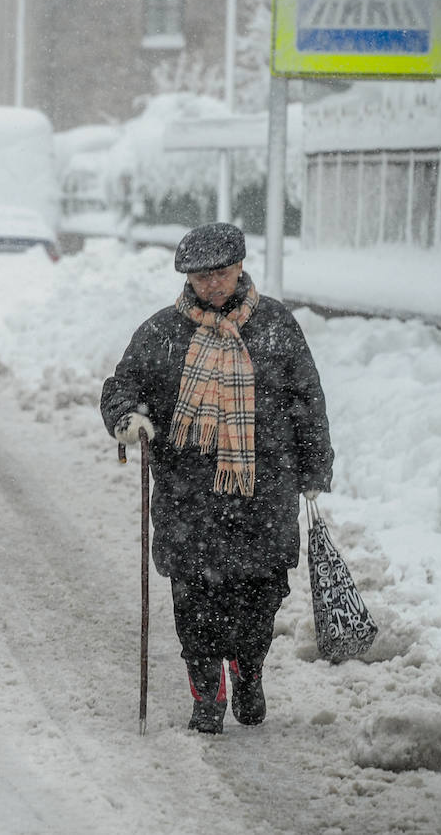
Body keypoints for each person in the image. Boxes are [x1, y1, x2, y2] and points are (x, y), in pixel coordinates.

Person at [99, 222, 333, 734]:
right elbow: (122, 386)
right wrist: (127, 418)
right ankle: (207, 691)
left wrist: (315, 467)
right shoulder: (162, 332)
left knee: (260, 597)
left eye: (221, 274)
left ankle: (248, 672)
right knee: (195, 599)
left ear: (241, 268)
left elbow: (306, 401)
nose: (212, 285)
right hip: (189, 496)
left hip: (264, 493)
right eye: (201, 277)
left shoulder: (275, 326)